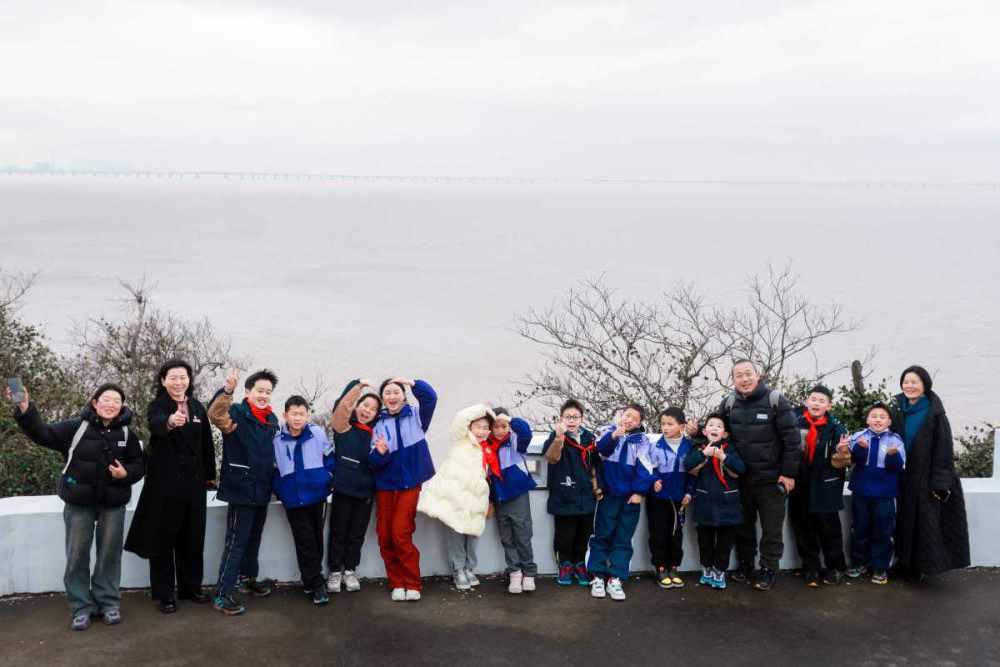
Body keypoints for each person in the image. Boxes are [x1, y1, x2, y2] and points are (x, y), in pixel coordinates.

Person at [9, 382, 144, 631]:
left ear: (122, 406)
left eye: (116, 400)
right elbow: (42, 434)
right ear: (94, 402)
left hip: (113, 503)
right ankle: (81, 606)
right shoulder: (76, 427)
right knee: (77, 555)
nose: (110, 404)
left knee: (109, 556)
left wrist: (126, 473)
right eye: (106, 399)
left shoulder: (127, 434)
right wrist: (26, 408)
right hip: (79, 501)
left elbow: (139, 464)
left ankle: (108, 602)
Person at [125, 359, 216, 614]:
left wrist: (210, 475)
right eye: (173, 377)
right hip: (165, 485)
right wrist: (170, 422)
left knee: (193, 537)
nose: (179, 382)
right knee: (163, 539)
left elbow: (206, 444)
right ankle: (165, 594)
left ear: (189, 379)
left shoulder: (197, 407)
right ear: (163, 381)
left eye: (183, 377)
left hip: (194, 485)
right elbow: (156, 424)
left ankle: (191, 588)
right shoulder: (158, 406)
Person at [715, 360, 801, 591]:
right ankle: (745, 565)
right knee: (743, 526)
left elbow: (792, 441)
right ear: (732, 380)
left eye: (748, 374)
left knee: (772, 529)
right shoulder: (729, 403)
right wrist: (696, 432)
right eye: (738, 376)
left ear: (758, 375)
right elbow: (716, 431)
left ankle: (768, 569)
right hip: (740, 478)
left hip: (771, 480)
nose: (744, 379)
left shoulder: (775, 401)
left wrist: (788, 474)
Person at [207, 368, 280, 616]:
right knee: (236, 543)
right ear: (248, 391)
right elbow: (215, 415)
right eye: (260, 391)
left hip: (262, 488)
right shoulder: (237, 412)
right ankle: (223, 593)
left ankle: (248, 578)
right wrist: (227, 390)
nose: (264, 396)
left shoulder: (271, 420)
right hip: (241, 488)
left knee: (254, 538)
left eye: (268, 392)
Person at [890, 365, 970, 579]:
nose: (909, 386)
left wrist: (940, 484)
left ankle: (919, 568)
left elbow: (944, 450)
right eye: (906, 381)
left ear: (925, 385)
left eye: (914, 382)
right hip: (903, 478)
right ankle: (904, 564)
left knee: (924, 525)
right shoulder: (896, 408)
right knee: (904, 522)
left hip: (925, 478)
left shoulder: (934, 413)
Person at [370, 377, 437, 602]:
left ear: (403, 395)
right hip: (386, 485)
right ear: (382, 399)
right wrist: (381, 453)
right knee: (385, 535)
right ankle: (396, 582)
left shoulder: (416, 416)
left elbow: (431, 397)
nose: (391, 396)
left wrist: (410, 381)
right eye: (387, 393)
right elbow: (373, 462)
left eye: (396, 392)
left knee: (401, 533)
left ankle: (412, 583)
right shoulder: (377, 423)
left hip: (410, 483)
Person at [417, 404, 495, 591]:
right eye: (478, 426)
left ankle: (469, 568)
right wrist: (483, 409)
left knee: (473, 536)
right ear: (470, 427)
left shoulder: (488, 449)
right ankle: (458, 569)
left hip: (477, 500)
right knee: (456, 536)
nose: (482, 431)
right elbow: (460, 417)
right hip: (456, 498)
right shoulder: (461, 440)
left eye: (486, 427)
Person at [587, 404, 655, 601]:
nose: (629, 420)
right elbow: (599, 451)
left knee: (623, 538)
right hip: (608, 495)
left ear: (640, 422)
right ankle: (597, 575)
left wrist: (639, 492)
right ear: (620, 415)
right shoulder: (607, 432)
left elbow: (646, 468)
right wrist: (615, 435)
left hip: (629, 498)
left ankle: (616, 578)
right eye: (626, 415)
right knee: (602, 534)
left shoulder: (642, 441)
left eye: (634, 418)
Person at [272, 395, 335, 605]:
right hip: (293, 496)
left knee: (316, 538)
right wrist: (281, 489)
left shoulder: (316, 433)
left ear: (308, 415)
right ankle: (317, 584)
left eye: (302, 414)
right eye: (294, 414)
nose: (298, 418)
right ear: (285, 415)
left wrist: (328, 477)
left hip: (316, 493)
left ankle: (310, 580)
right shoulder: (277, 439)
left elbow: (329, 456)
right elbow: (272, 468)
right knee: (305, 540)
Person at [788, 385, 850, 587]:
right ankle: (811, 567)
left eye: (821, 401)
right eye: (813, 399)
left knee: (829, 529)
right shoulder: (793, 421)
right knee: (803, 527)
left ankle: (836, 567)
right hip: (800, 484)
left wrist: (841, 452)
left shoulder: (836, 428)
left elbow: (843, 462)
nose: (816, 403)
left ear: (829, 406)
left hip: (825, 486)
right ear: (807, 401)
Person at [326, 379, 382, 594]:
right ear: (357, 406)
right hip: (342, 490)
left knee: (356, 534)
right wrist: (357, 387)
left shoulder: (376, 434)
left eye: (373, 409)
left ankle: (350, 569)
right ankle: (334, 572)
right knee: (338, 532)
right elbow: (342, 406)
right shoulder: (343, 426)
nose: (368, 411)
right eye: (365, 405)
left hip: (365, 493)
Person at [542, 399, 601, 587]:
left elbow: (595, 466)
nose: (572, 420)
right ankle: (565, 565)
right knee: (564, 536)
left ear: (582, 419)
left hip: (585, 496)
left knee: (584, 534)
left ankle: (580, 564)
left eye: (575, 417)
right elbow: (551, 458)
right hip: (564, 494)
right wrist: (559, 438)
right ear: (561, 418)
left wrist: (597, 486)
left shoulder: (589, 438)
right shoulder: (556, 436)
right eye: (568, 417)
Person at [846, 403, 905, 585]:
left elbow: (898, 467)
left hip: (885, 492)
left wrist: (893, 456)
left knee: (883, 529)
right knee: (859, 527)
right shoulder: (858, 437)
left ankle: (880, 566)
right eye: (874, 416)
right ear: (867, 420)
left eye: (882, 416)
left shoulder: (896, 440)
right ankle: (858, 562)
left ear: (889, 421)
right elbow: (851, 461)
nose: (877, 419)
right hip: (861, 490)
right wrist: (860, 449)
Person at [684, 413, 745, 590]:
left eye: (719, 426)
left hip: (729, 506)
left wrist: (724, 457)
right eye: (711, 425)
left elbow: (741, 468)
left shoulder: (730, 449)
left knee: (725, 543)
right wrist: (704, 454)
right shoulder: (698, 447)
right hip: (705, 504)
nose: (714, 428)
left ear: (725, 433)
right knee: (705, 541)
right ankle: (707, 568)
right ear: (704, 431)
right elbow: (688, 465)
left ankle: (720, 570)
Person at [484, 408, 538, 594]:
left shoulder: (515, 441)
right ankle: (514, 572)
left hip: (517, 494)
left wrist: (510, 419)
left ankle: (529, 572)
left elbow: (525, 432)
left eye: (503, 426)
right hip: (499, 496)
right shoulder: (486, 446)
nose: (499, 431)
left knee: (523, 535)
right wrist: (490, 501)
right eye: (495, 427)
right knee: (506, 537)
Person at [647, 407, 695, 589]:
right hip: (658, 498)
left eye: (670, 424)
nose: (665, 427)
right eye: (663, 424)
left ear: (681, 426)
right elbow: (648, 468)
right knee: (658, 533)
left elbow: (693, 474)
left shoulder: (689, 447)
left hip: (679, 498)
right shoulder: (655, 445)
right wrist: (654, 480)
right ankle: (660, 567)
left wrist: (689, 493)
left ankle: (674, 567)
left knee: (676, 533)